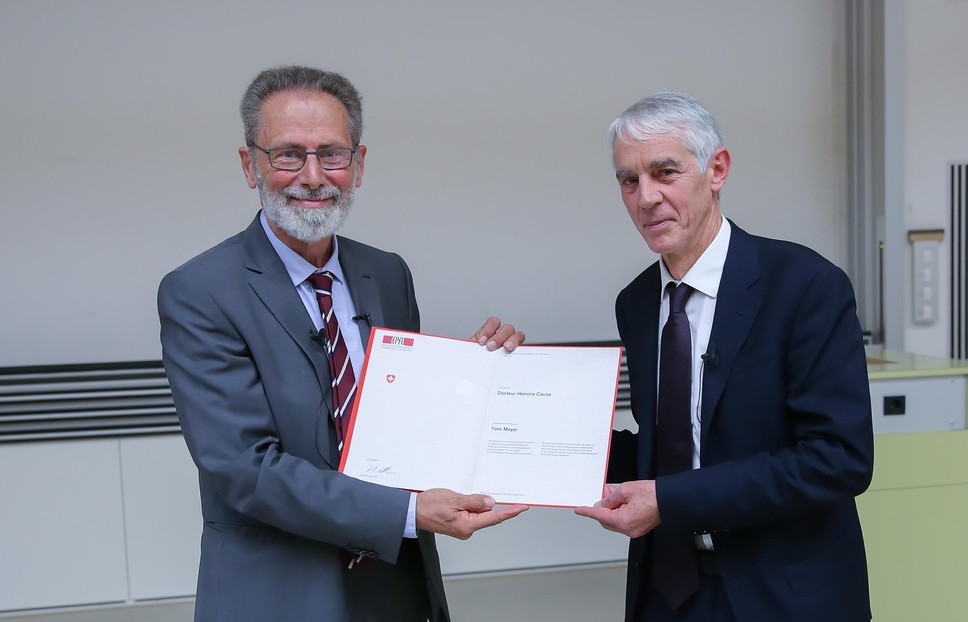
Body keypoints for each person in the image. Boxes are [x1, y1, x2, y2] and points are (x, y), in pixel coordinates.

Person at [158, 66, 527, 622]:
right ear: (248, 164)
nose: (312, 176)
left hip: (397, 586)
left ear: (358, 163)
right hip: (280, 595)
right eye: (288, 154)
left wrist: (479, 375)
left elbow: (408, 426)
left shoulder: (387, 273)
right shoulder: (200, 291)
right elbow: (244, 469)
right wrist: (406, 511)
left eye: (332, 154)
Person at [575, 92, 874, 621]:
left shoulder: (805, 286)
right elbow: (672, 445)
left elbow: (838, 458)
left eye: (665, 172)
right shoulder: (637, 303)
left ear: (717, 170)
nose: (646, 197)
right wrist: (520, 423)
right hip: (666, 593)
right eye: (628, 180)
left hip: (782, 596)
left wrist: (670, 501)